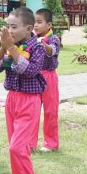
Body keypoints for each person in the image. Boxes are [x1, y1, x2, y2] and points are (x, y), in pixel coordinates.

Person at [0, 7, 46, 174]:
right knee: (16, 149)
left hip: (30, 100)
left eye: (14, 27)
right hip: (12, 99)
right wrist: (3, 48)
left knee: (17, 148)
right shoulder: (10, 44)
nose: (10, 30)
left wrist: (11, 49)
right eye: (8, 26)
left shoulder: (37, 48)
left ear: (28, 28)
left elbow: (30, 71)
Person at [30, 8, 61, 152]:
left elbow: (52, 50)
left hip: (49, 76)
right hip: (34, 76)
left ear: (49, 25)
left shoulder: (53, 38)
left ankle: (51, 143)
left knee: (50, 111)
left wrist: (45, 45)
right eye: (34, 22)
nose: (35, 25)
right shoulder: (31, 37)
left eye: (39, 22)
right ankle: (29, 143)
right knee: (31, 111)